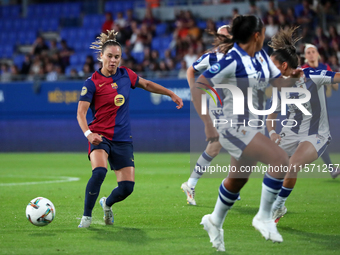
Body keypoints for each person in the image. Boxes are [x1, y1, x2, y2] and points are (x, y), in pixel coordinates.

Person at [193, 15, 302, 251]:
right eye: (263, 32)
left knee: (237, 180)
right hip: (231, 126)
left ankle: (214, 221)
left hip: (252, 126)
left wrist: (294, 77)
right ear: (257, 35)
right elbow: (200, 85)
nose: (265, 36)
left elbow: (278, 84)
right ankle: (263, 216)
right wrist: (208, 124)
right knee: (280, 159)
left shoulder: (261, 57)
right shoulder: (231, 61)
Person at [77, 30, 183, 228]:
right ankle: (86, 217)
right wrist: (88, 134)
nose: (113, 60)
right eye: (109, 56)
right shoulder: (91, 83)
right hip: (100, 137)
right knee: (99, 172)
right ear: (101, 56)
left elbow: (147, 84)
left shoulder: (126, 75)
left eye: (117, 57)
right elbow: (80, 114)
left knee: (127, 188)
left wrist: (171, 93)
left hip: (123, 139)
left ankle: (107, 204)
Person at [267, 27, 340, 223]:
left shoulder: (313, 76)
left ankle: (278, 206)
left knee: (294, 164)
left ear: (283, 66)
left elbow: (338, 77)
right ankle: (275, 203)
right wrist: (273, 133)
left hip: (316, 134)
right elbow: (270, 116)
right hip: (289, 134)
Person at [181, 25, 238, 206]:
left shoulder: (238, 56)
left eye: (225, 36)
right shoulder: (211, 57)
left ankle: (229, 186)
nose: (221, 39)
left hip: (235, 106)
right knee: (218, 144)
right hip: (218, 105)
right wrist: (192, 89)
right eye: (220, 36)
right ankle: (194, 184)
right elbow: (191, 70)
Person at [301, 43, 339, 178]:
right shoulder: (304, 70)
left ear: (318, 54)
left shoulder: (324, 68)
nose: (311, 54)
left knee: (320, 138)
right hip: (308, 108)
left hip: (321, 109)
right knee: (319, 137)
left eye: (313, 51)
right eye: (308, 52)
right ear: (305, 56)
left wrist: (330, 80)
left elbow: (334, 87)